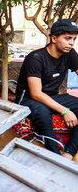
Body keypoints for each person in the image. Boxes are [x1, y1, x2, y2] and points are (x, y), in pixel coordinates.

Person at [15, 19, 78, 160]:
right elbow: (36, 94)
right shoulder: (36, 58)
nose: (72, 43)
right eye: (67, 38)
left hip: (52, 97)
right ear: (54, 38)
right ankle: (54, 156)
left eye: (74, 39)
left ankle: (68, 154)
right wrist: (65, 111)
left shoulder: (70, 54)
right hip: (28, 99)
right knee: (42, 114)